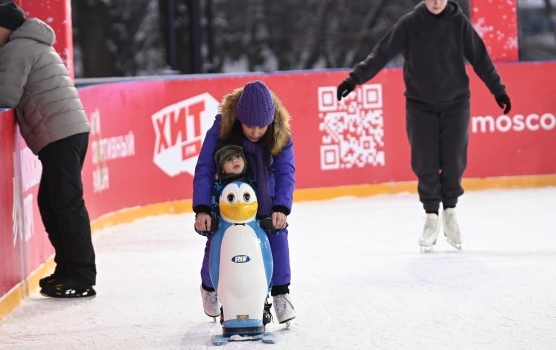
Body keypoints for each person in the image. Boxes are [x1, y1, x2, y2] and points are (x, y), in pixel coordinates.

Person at [336, 0, 511, 252]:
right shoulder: (409, 24)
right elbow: (381, 54)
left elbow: (481, 59)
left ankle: (449, 212)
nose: (437, 2)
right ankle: (431, 216)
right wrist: (354, 80)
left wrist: (499, 91)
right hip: (420, 106)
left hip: (456, 104)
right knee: (424, 162)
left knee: (454, 160)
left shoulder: (459, 23)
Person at [0, 2, 96, 297]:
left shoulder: (18, 47)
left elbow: (3, 97)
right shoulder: (34, 44)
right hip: (68, 131)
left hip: (60, 134)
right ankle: (69, 268)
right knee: (51, 201)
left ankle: (82, 275)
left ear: (8, 26)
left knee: (66, 203)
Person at [193, 80, 296, 324]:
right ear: (240, 118)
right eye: (250, 126)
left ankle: (281, 294)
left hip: (264, 197)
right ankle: (210, 287)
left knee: (277, 236)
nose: (256, 132)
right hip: (227, 197)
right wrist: (202, 209)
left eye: (262, 126)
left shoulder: (279, 134)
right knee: (217, 242)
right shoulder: (223, 128)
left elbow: (286, 171)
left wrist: (281, 207)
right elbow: (205, 167)